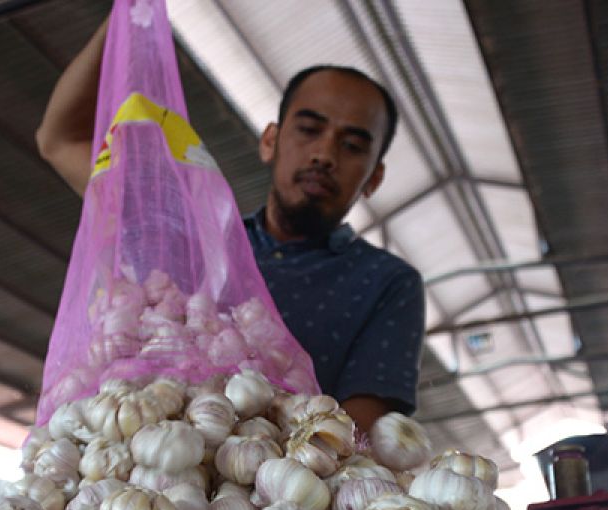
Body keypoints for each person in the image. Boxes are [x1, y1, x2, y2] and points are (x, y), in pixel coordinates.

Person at [36, 17, 426, 433]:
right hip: (147, 464)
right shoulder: (190, 241)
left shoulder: (387, 282)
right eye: (309, 130)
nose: (324, 154)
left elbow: (354, 437)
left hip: (268, 492)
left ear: (376, 178)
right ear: (270, 141)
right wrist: (127, 16)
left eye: (351, 146)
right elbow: (59, 140)